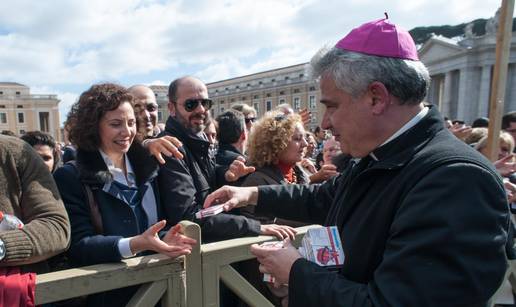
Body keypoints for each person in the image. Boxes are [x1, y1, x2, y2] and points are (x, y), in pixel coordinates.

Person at [204, 17, 509, 306]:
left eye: (332, 106)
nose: (324, 124)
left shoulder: (456, 179)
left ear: (376, 98)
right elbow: (323, 197)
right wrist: (249, 194)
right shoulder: (383, 154)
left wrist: (297, 273)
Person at [53, 83, 196, 307]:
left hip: (159, 290)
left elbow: (154, 227)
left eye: (131, 123)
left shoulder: (150, 165)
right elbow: (79, 246)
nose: (127, 132)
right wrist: (136, 243)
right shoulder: (69, 176)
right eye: (115, 124)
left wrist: (164, 238)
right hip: (106, 296)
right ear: (93, 127)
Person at [159, 76, 296, 242]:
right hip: (191, 255)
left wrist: (227, 176)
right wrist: (255, 227)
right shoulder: (170, 147)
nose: (201, 109)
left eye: (205, 103)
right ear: (171, 108)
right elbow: (189, 216)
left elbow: (204, 183)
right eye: (191, 104)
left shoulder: (197, 140)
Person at [0, 135, 70, 272]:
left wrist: (2, 246)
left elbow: (56, 227)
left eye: (47, 158)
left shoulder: (16, 151)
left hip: (17, 288)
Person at [240, 111, 309, 226]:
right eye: (297, 139)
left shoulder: (301, 174)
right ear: (276, 144)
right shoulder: (257, 182)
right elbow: (259, 227)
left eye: (305, 138)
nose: (305, 144)